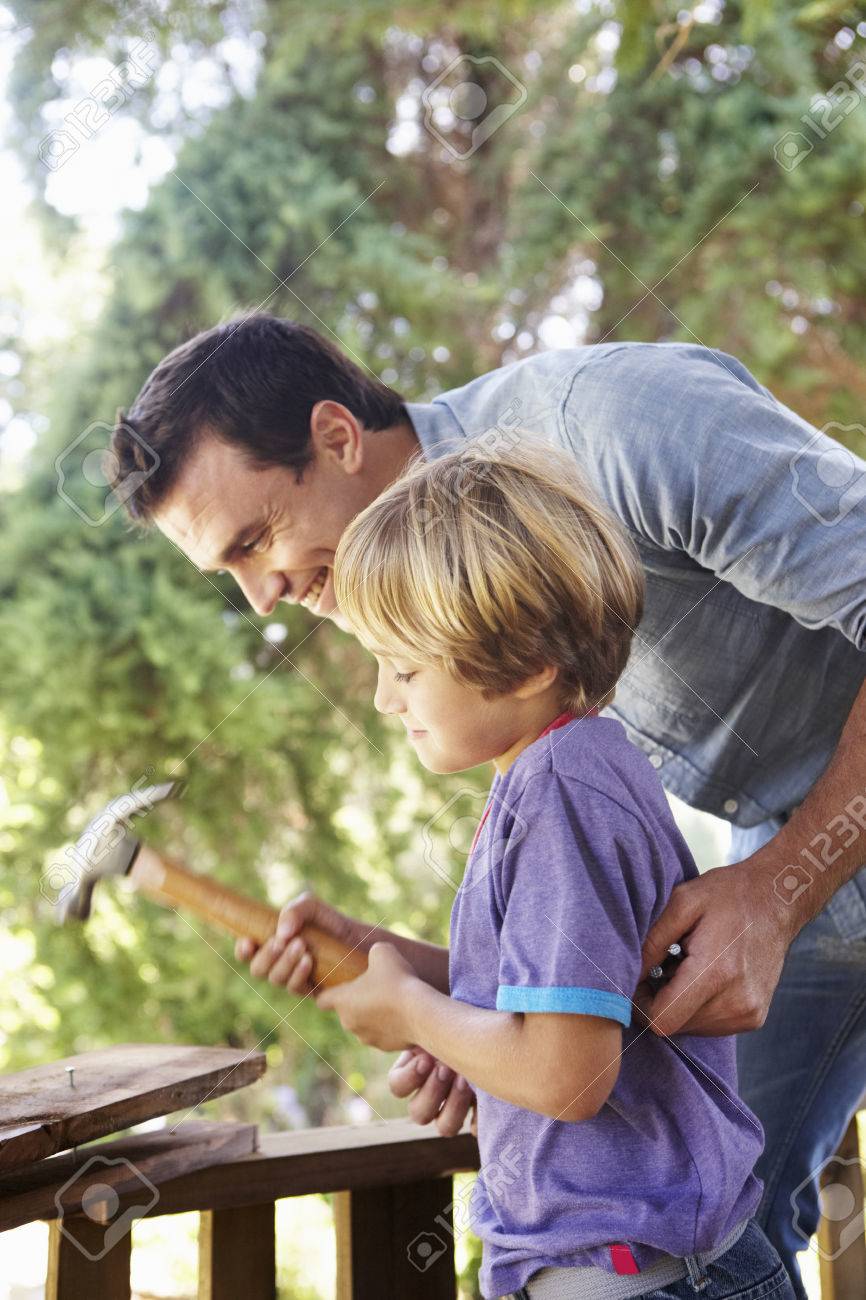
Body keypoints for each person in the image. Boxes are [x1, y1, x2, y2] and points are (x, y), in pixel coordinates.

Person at [111, 313, 866, 1297]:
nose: (262, 598)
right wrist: (479, 1006)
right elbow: (581, 1035)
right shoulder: (469, 628)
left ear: (337, 437)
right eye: (230, 572)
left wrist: (775, 890)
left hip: (804, 843)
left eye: (255, 541)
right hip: (795, 837)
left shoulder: (614, 428)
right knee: (715, 1204)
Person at [248, 440, 797, 1299]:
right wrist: (383, 953)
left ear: (530, 661)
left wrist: (415, 1015)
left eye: (405, 669)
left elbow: (564, 1073)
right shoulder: (564, 771)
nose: (386, 700)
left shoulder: (559, 794)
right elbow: (564, 994)